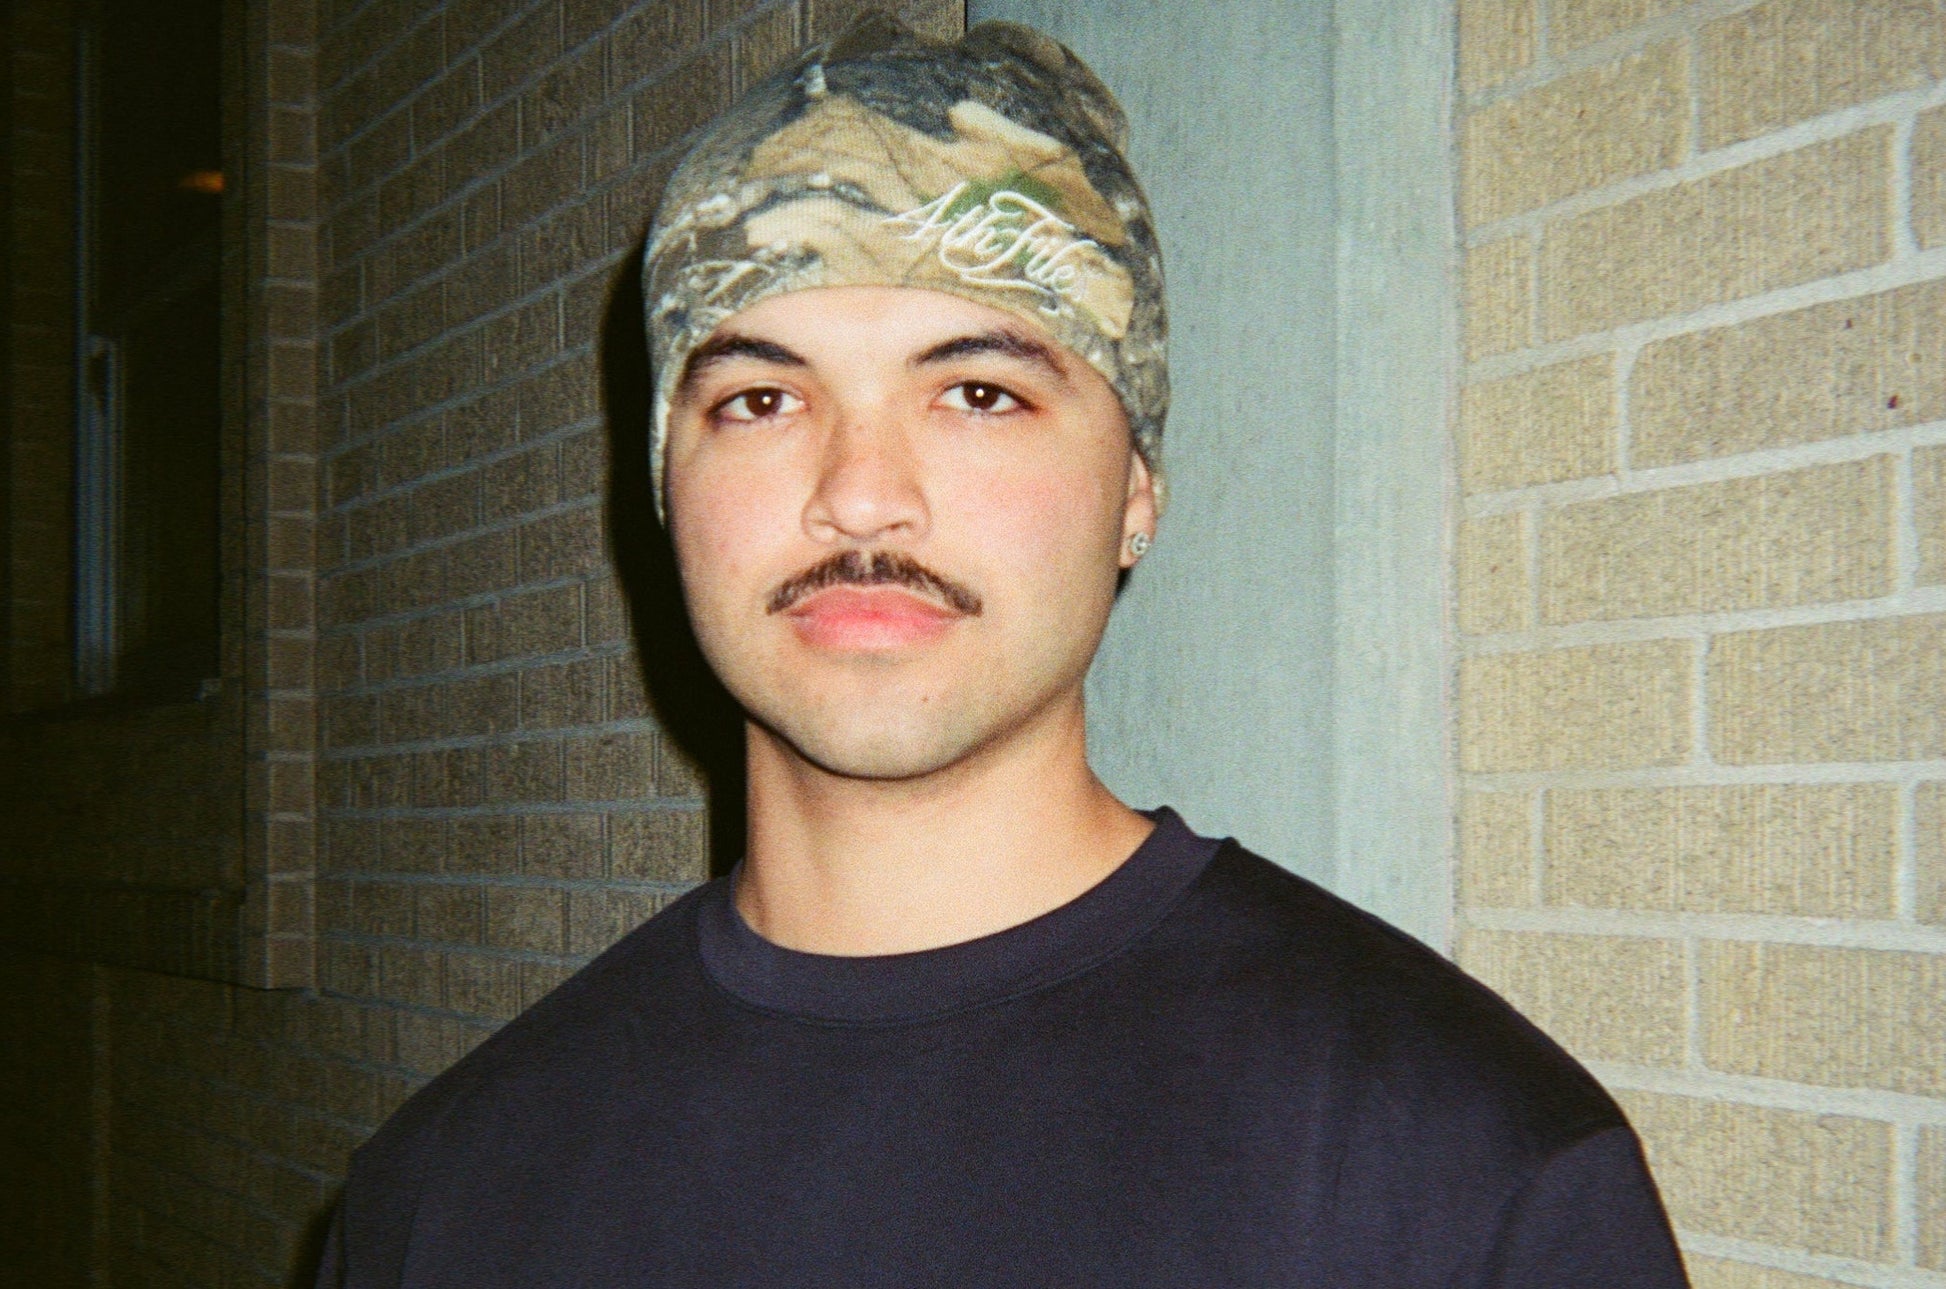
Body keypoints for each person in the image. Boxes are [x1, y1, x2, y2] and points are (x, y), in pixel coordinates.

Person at [319, 16, 1690, 1287]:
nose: (860, 495)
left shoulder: (1462, 1179)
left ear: (1136, 488)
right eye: (760, 399)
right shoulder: (442, 1202)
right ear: (665, 490)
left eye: (977, 392)